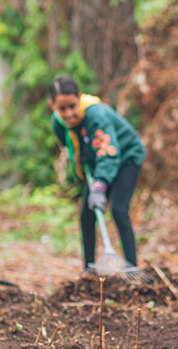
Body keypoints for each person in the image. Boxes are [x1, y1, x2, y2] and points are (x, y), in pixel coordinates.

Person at [49, 74, 146, 272]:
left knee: (119, 209)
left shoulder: (96, 115)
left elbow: (108, 151)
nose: (68, 113)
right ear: (52, 105)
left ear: (80, 98)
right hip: (99, 164)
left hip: (126, 157)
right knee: (86, 214)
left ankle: (132, 268)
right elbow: (70, 144)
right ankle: (90, 269)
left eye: (72, 106)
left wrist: (100, 186)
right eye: (62, 108)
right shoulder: (58, 122)